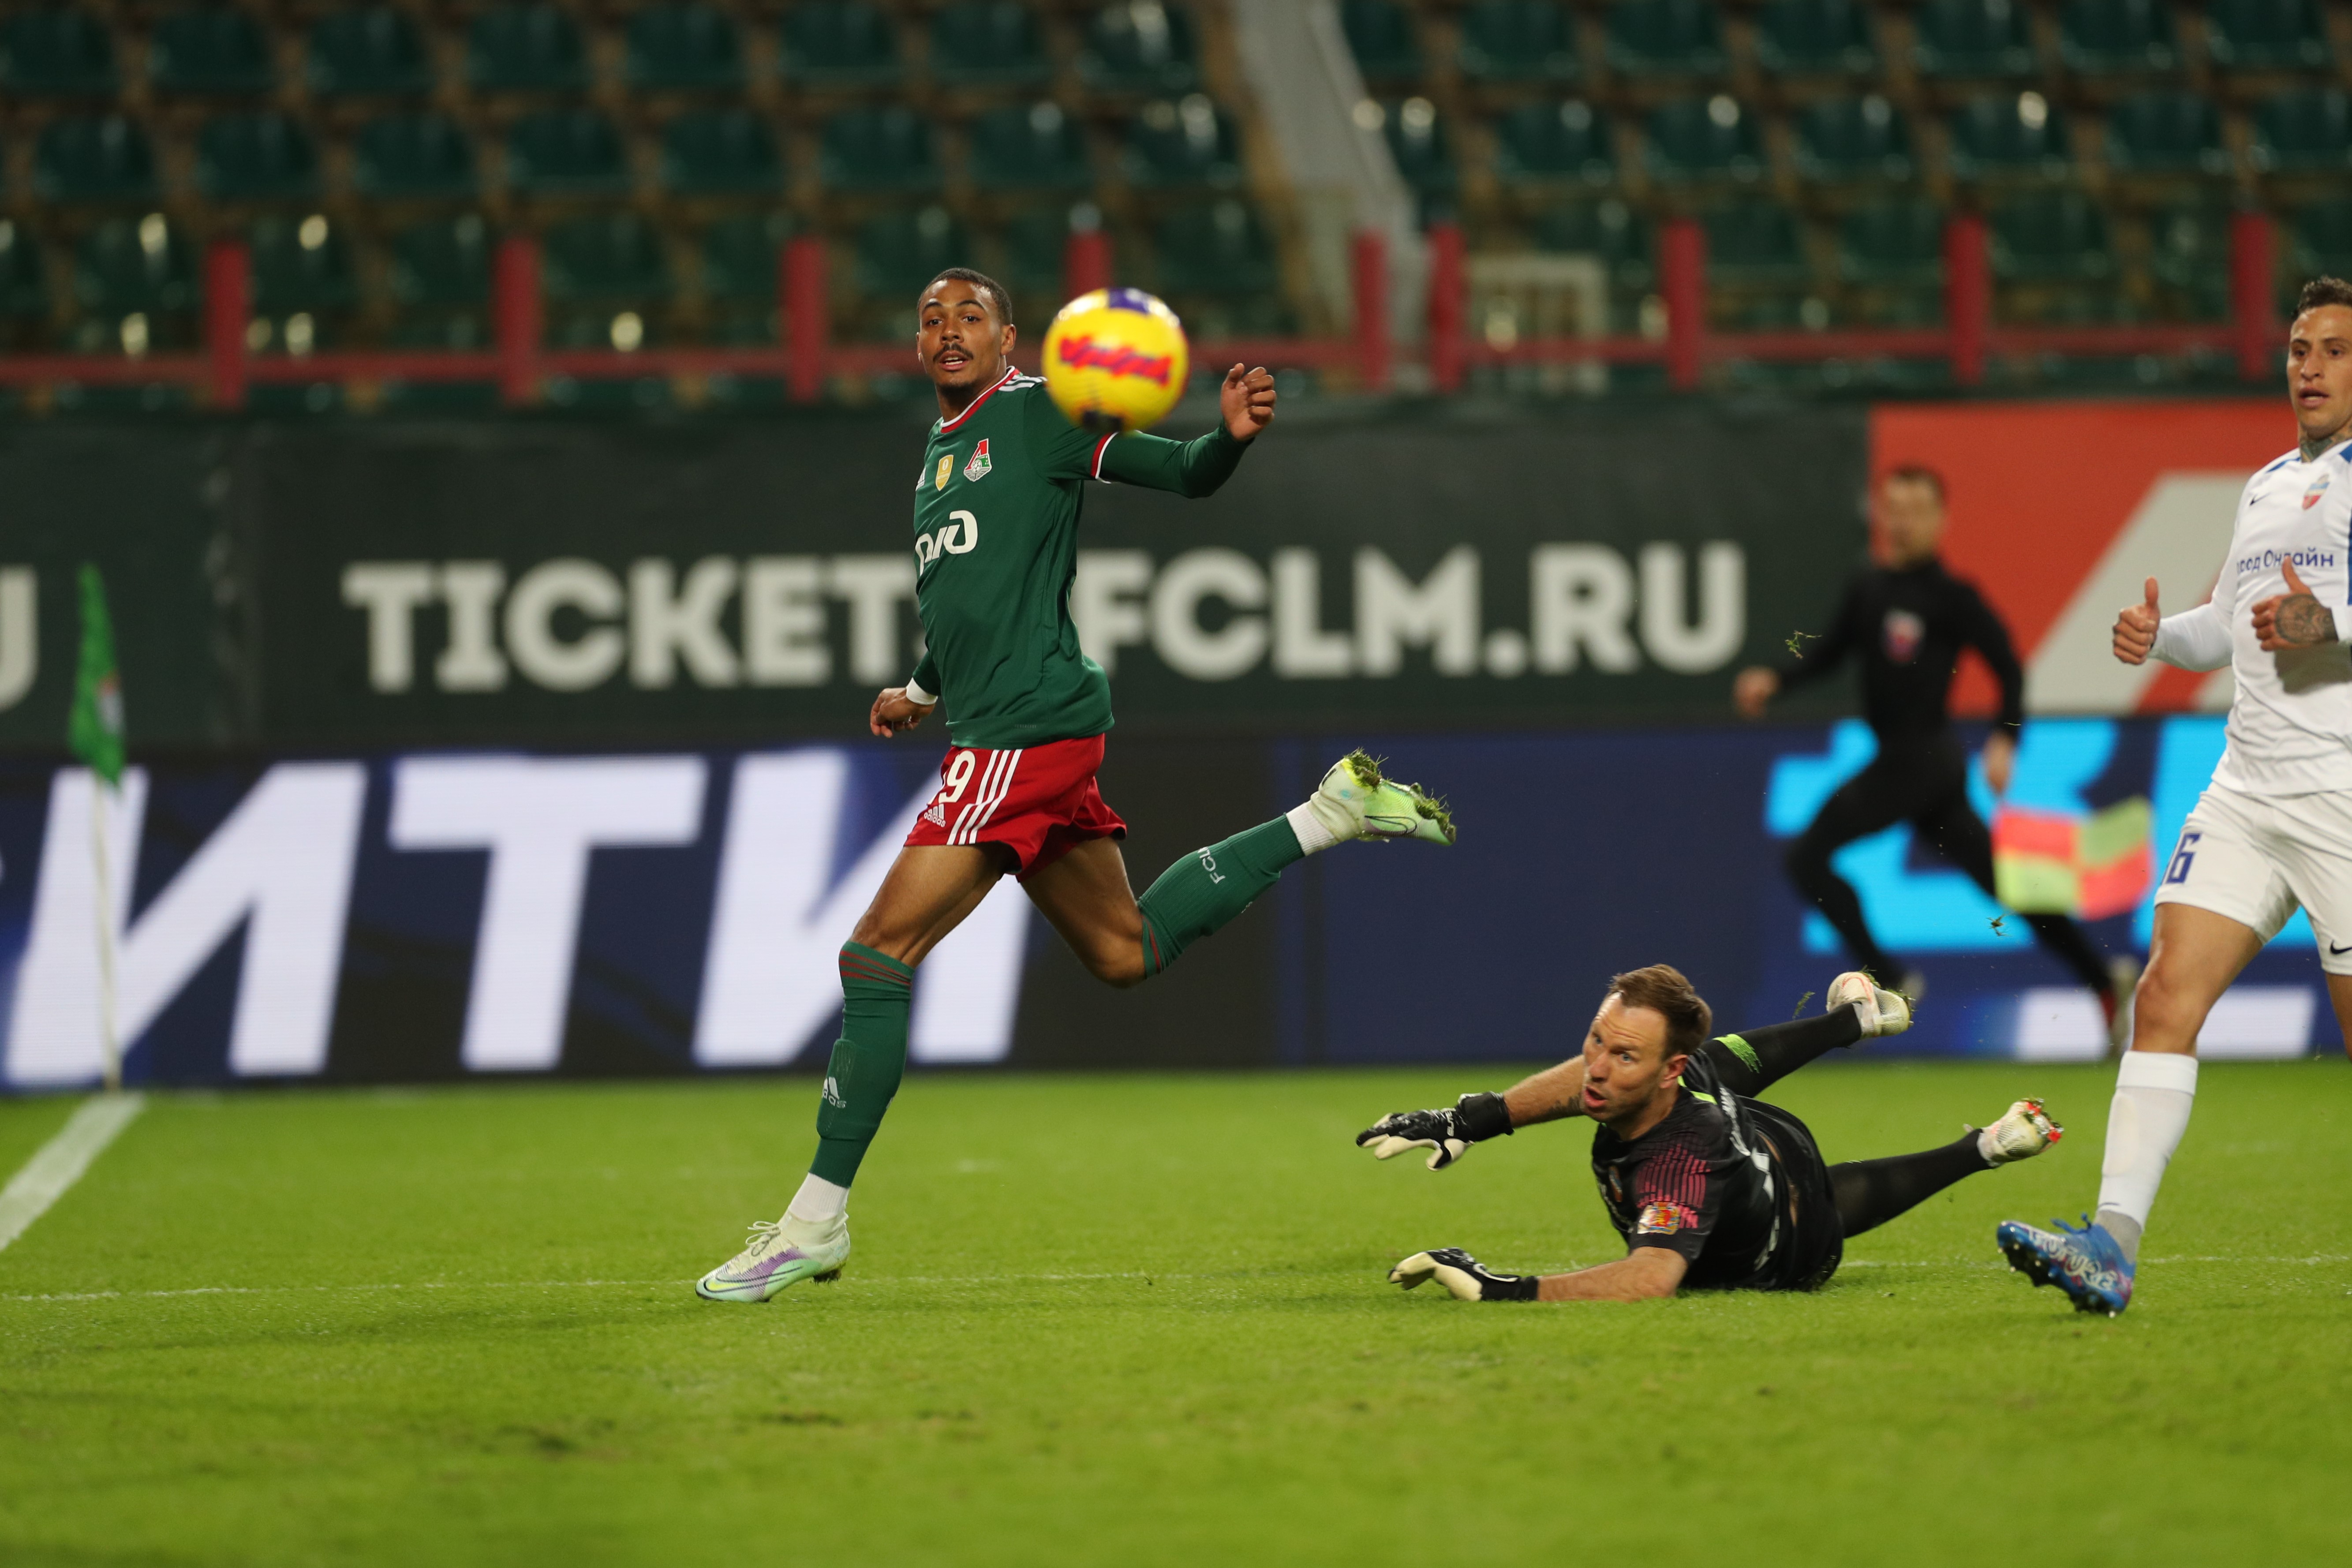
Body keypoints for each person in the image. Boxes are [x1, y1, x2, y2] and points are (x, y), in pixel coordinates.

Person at [697, 270, 1455, 1302]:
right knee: (1122, 950)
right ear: (916, 344)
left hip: (1023, 732)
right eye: (930, 317)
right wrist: (919, 687)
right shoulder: (937, 450)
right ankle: (1330, 813)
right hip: (1011, 725)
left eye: (970, 315)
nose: (948, 330)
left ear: (1011, 336)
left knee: (875, 954)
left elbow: (1183, 472)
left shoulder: (1040, 411)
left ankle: (812, 1223)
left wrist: (1227, 436)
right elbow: (967, 596)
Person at [1998, 277, 2352, 1317]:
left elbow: (2320, 620)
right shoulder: (2267, 483)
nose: (2311, 367)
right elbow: (2230, 620)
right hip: (2246, 790)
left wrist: (2327, 622)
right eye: (2299, 347)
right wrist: (2167, 638)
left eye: (2334, 349)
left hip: (2342, 797)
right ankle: (2110, 1244)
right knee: (2162, 996)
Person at [1358, 965, 2063, 1302]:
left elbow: (1650, 1277)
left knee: (1822, 1205)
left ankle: (1981, 1146)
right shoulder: (1678, 1076)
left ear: (1665, 1071)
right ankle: (1857, 1024)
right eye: (1595, 1041)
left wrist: (1500, 1289)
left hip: (1792, 1248)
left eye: (1624, 1055)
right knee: (1726, 1067)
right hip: (1760, 1142)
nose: (1596, 1068)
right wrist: (1467, 1120)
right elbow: (1600, 1075)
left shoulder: (1676, 1166)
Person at [1734, 466, 2131, 1034]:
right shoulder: (1866, 588)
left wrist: (2006, 739)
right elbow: (1828, 655)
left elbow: (2009, 668)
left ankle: (1891, 977)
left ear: (1941, 520)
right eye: (1892, 508)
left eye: (1916, 510)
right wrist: (1775, 680)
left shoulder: (1952, 597)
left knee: (1807, 858)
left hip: (1921, 761)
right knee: (2006, 885)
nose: (1902, 522)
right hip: (1916, 772)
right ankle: (2102, 977)